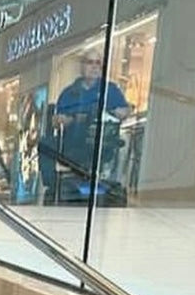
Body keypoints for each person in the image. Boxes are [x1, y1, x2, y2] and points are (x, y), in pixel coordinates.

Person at [48, 50, 132, 195]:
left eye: (98, 63)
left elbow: (124, 112)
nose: (94, 67)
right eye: (90, 62)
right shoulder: (69, 92)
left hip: (102, 147)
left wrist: (113, 111)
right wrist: (69, 119)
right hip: (73, 147)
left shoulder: (110, 90)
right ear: (82, 66)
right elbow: (55, 121)